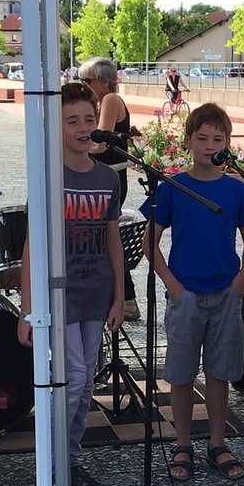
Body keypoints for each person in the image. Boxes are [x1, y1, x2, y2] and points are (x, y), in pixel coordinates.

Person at [16, 82, 124, 486]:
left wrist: (119, 296)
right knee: (73, 377)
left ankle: (69, 458)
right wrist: (27, 308)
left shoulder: (107, 177)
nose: (82, 128)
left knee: (84, 380)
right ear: (55, 127)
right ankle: (53, 462)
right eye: (71, 120)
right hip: (60, 295)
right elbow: (31, 245)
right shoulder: (46, 177)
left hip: (96, 290)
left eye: (88, 119)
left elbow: (112, 239)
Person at [144, 103, 244, 483]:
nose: (210, 146)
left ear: (228, 143)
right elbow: (150, 242)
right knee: (180, 373)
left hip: (225, 292)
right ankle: (182, 442)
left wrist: (241, 280)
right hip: (186, 294)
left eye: (218, 139)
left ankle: (217, 441)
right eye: (203, 138)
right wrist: (172, 285)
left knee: (219, 373)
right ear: (188, 141)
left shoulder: (236, 190)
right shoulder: (173, 188)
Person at [80, 57, 141, 322]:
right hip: (108, 177)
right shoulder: (104, 101)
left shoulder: (110, 100)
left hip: (110, 177)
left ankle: (126, 299)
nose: (84, 85)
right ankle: (124, 298)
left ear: (104, 82)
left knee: (107, 238)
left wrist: (74, 149)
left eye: (88, 80)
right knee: (105, 237)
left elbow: (100, 142)